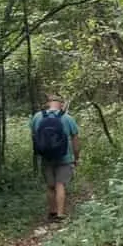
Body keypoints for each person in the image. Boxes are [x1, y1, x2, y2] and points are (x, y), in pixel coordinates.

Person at [30, 93, 80, 222]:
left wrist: (38, 153)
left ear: (48, 103)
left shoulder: (37, 117)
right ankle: (60, 214)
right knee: (60, 184)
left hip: (46, 157)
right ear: (61, 104)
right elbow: (75, 140)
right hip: (64, 157)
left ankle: (52, 212)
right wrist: (76, 157)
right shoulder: (68, 118)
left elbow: (34, 136)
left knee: (50, 185)